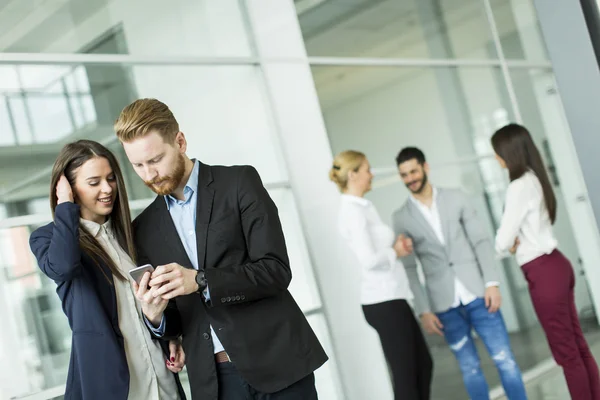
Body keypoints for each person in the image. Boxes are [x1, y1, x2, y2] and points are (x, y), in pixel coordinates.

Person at [113, 98, 328, 400]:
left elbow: (275, 270)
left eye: (156, 160)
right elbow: (176, 318)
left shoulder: (239, 182)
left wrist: (200, 280)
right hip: (215, 383)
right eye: (138, 165)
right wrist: (156, 317)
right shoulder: (144, 228)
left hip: (278, 363)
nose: (149, 174)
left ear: (181, 141)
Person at [29, 140, 187, 400]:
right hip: (114, 386)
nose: (107, 189)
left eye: (111, 178)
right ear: (68, 187)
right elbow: (64, 267)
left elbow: (159, 304)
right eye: (94, 182)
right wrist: (65, 205)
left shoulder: (132, 235)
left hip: (160, 379)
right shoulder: (48, 239)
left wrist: (166, 331)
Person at [392, 147, 527, 400]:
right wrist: (424, 310)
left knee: (505, 360)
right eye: (404, 175)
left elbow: (480, 242)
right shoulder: (401, 218)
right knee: (469, 368)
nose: (410, 178)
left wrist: (491, 282)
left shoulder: (457, 198)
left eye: (413, 171)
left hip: (479, 293)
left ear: (425, 167)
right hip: (444, 304)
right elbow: (409, 268)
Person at [492, 123, 600, 400]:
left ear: (508, 152)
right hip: (557, 266)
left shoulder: (517, 186)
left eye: (497, 151)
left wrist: (510, 244)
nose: (496, 158)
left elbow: (502, 241)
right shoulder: (534, 177)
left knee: (567, 354)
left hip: (542, 271)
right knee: (577, 345)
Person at [330, 150, 432, 400]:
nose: (371, 174)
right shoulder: (353, 212)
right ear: (353, 174)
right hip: (383, 302)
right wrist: (394, 251)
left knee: (422, 366)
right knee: (407, 375)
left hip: (393, 298)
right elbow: (369, 260)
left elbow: (377, 251)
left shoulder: (363, 207)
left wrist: (395, 248)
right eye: (367, 169)